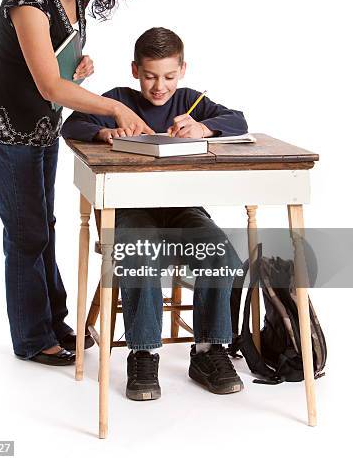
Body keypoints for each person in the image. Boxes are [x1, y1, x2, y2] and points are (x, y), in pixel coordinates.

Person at [0, 0, 154, 366]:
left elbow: (52, 67)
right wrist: (112, 105)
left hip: (42, 127)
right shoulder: (28, 1)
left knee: (41, 227)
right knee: (26, 233)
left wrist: (78, 66)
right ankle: (32, 338)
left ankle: (53, 320)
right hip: (9, 128)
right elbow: (49, 86)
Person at [61, 27, 248, 399]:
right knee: (139, 253)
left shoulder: (191, 102)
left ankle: (209, 351)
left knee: (220, 253)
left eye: (168, 76)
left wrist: (203, 127)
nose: (159, 86)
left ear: (182, 70)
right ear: (135, 70)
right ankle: (143, 353)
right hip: (131, 212)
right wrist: (104, 133)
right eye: (149, 76)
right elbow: (73, 124)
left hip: (183, 209)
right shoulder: (118, 99)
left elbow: (238, 121)